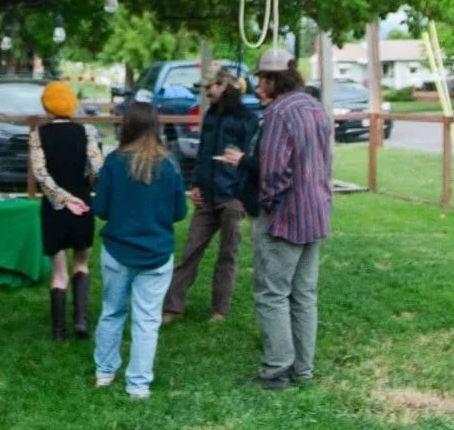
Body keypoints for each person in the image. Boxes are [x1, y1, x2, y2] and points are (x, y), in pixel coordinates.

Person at [246, 45, 334, 391]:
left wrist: (268, 205)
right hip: (316, 213)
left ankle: (276, 371)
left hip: (285, 217)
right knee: (304, 295)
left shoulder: (279, 114)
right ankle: (303, 370)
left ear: (273, 79)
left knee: (272, 295)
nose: (257, 87)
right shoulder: (315, 107)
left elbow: (273, 173)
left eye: (261, 80)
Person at [89, 104, 187, 400]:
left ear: (126, 126)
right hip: (157, 252)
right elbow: (179, 212)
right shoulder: (169, 164)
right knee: (147, 321)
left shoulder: (114, 162)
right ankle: (138, 385)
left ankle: (104, 373)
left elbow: (101, 210)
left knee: (112, 311)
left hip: (118, 250)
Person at [165, 67, 257, 324]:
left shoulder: (247, 118)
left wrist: (240, 196)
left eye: (209, 87)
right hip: (206, 196)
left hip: (232, 198)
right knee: (190, 251)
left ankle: (220, 309)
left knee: (227, 255)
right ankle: (173, 307)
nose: (206, 92)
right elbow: (203, 153)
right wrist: (195, 185)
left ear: (223, 86)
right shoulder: (210, 116)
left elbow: (249, 159)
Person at [29, 80, 104, 341]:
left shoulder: (38, 135)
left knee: (58, 272)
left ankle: (59, 331)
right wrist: (82, 192)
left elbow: (40, 174)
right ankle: (81, 321)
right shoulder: (87, 133)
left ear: (47, 106)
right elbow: (97, 168)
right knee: (82, 262)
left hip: (54, 208)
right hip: (83, 204)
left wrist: (62, 198)